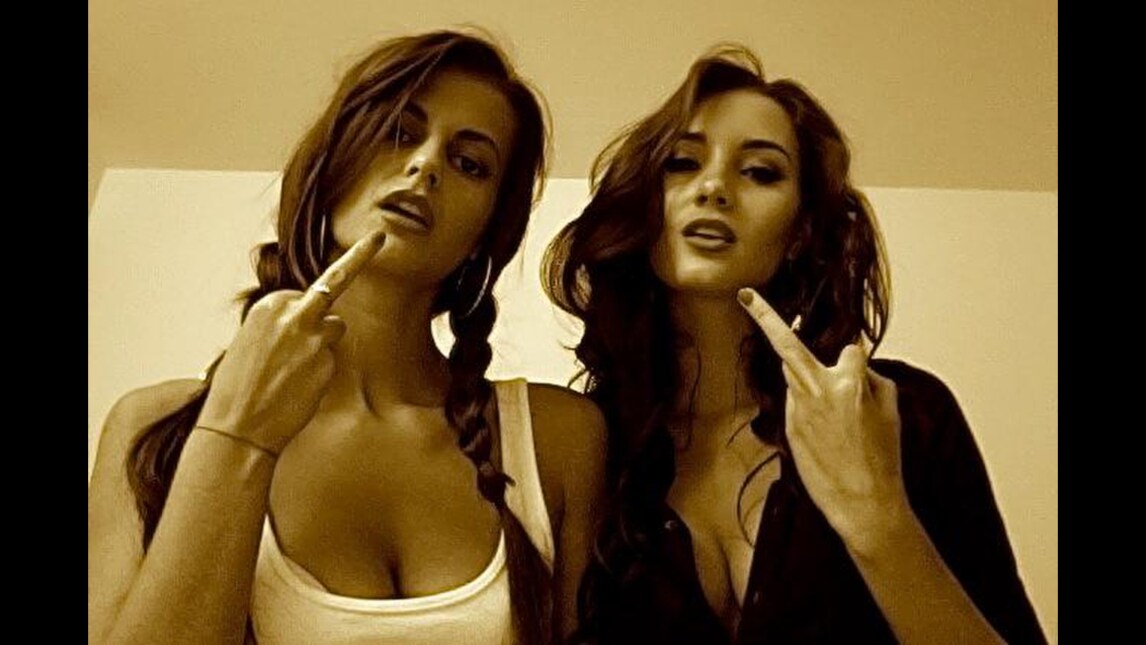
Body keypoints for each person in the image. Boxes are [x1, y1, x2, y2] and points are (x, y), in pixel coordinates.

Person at [88, 29, 605, 645]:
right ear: (334, 163)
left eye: (469, 163)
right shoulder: (152, 429)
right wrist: (236, 434)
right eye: (400, 133)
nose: (425, 165)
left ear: (487, 233)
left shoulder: (558, 439)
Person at [543, 45, 1046, 644]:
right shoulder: (588, 449)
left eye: (761, 172)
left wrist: (877, 517)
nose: (714, 187)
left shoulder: (893, 413)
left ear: (801, 232)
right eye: (682, 162)